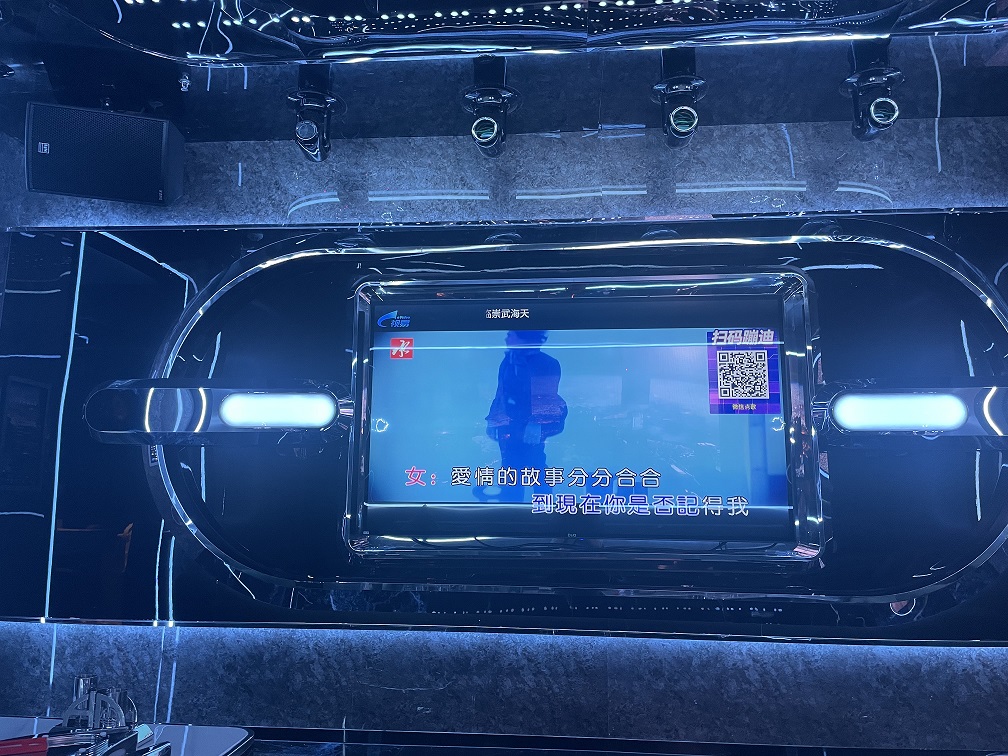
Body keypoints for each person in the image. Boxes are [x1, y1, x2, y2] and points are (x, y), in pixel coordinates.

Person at [483, 330, 567, 502]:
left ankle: (542, 509)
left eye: (511, 334)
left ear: (524, 337)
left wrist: (536, 424)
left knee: (535, 463)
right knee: (511, 467)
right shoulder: (508, 362)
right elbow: (501, 394)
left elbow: (546, 398)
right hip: (510, 426)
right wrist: (494, 422)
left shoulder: (546, 363)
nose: (506, 338)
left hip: (532, 427)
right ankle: (511, 510)